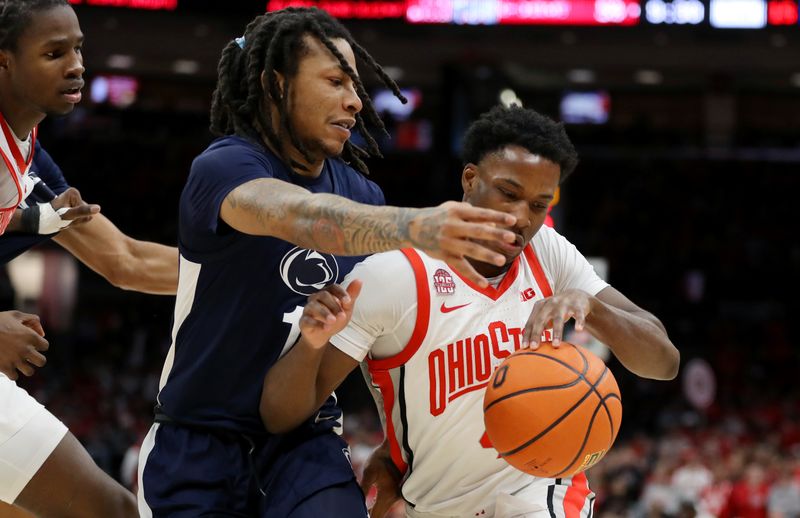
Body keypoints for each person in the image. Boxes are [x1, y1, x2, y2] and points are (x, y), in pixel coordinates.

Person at [136, 7, 518, 517]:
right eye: (335, 81)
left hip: (304, 440)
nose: (355, 101)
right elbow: (293, 214)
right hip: (198, 440)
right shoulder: (224, 166)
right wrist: (413, 227)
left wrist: (395, 448)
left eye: (356, 86)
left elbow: (394, 329)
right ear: (276, 84)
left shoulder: (363, 193)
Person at [260, 105, 681, 518]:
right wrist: (311, 345)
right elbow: (281, 415)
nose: (520, 217)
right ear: (470, 178)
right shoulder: (395, 275)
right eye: (509, 193)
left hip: (543, 494)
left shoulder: (549, 253)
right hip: (432, 504)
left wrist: (594, 309)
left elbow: (664, 361)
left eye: (538, 205)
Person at [0, 0, 177, 516]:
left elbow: (126, 259)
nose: (76, 64)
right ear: (4, 60)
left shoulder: (28, 150)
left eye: (78, 48)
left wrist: (254, 273)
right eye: (54, 53)